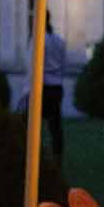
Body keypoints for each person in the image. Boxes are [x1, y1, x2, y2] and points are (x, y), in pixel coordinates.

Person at [40, 14, 67, 161]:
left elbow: (33, 66)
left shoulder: (39, 40)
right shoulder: (59, 41)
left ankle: (39, 154)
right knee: (55, 125)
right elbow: (63, 64)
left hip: (44, 87)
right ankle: (57, 154)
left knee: (34, 124)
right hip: (57, 87)